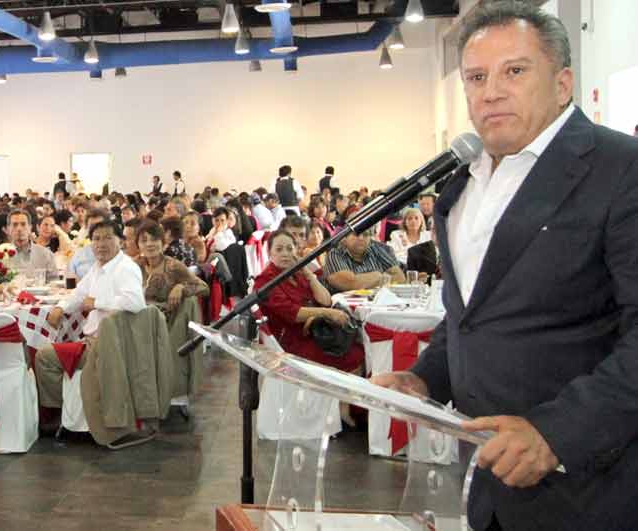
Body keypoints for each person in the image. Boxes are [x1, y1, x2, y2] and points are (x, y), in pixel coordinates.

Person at [373, 3, 638, 530]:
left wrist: (557, 432)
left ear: (562, 84)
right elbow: (470, 317)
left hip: (593, 487)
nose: (491, 92)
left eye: (514, 71)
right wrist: (424, 378)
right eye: (476, 77)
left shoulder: (620, 171)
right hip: (489, 484)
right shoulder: (461, 188)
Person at [35, 220, 146, 425]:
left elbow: (136, 302)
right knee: (52, 348)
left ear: (121, 242)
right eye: (96, 239)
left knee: (44, 357)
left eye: (108, 238)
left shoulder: (125, 268)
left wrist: (97, 302)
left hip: (110, 347)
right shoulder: (99, 267)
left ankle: (63, 413)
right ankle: (72, 410)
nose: (101, 244)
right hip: (96, 341)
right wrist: (61, 307)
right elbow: (79, 294)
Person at [254, 230, 363, 426]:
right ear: (270, 253)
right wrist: (327, 314)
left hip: (312, 333)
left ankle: (342, 406)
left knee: (356, 350)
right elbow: (293, 313)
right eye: (279, 249)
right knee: (351, 355)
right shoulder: (265, 280)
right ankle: (334, 410)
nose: (285, 254)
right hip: (289, 342)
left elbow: (326, 299)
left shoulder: (297, 273)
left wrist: (308, 274)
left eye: (289, 248)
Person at [135, 220, 208, 311]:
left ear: (163, 243)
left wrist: (181, 287)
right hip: (139, 314)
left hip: (165, 317)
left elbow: (204, 287)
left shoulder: (173, 266)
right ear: (138, 245)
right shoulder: (135, 266)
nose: (149, 244)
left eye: (154, 239)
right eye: (144, 240)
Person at [324, 226, 405, 291]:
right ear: (345, 237)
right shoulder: (335, 254)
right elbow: (349, 283)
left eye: (365, 234)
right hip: (347, 305)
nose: (361, 238)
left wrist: (364, 281)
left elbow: (400, 277)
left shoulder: (376, 249)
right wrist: (378, 276)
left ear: (370, 238)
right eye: (356, 234)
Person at [6, 209, 57, 278]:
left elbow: (54, 281)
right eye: (15, 225)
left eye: (23, 224)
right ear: (8, 229)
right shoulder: (0, 255)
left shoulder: (46, 254)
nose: (19, 228)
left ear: (30, 227)